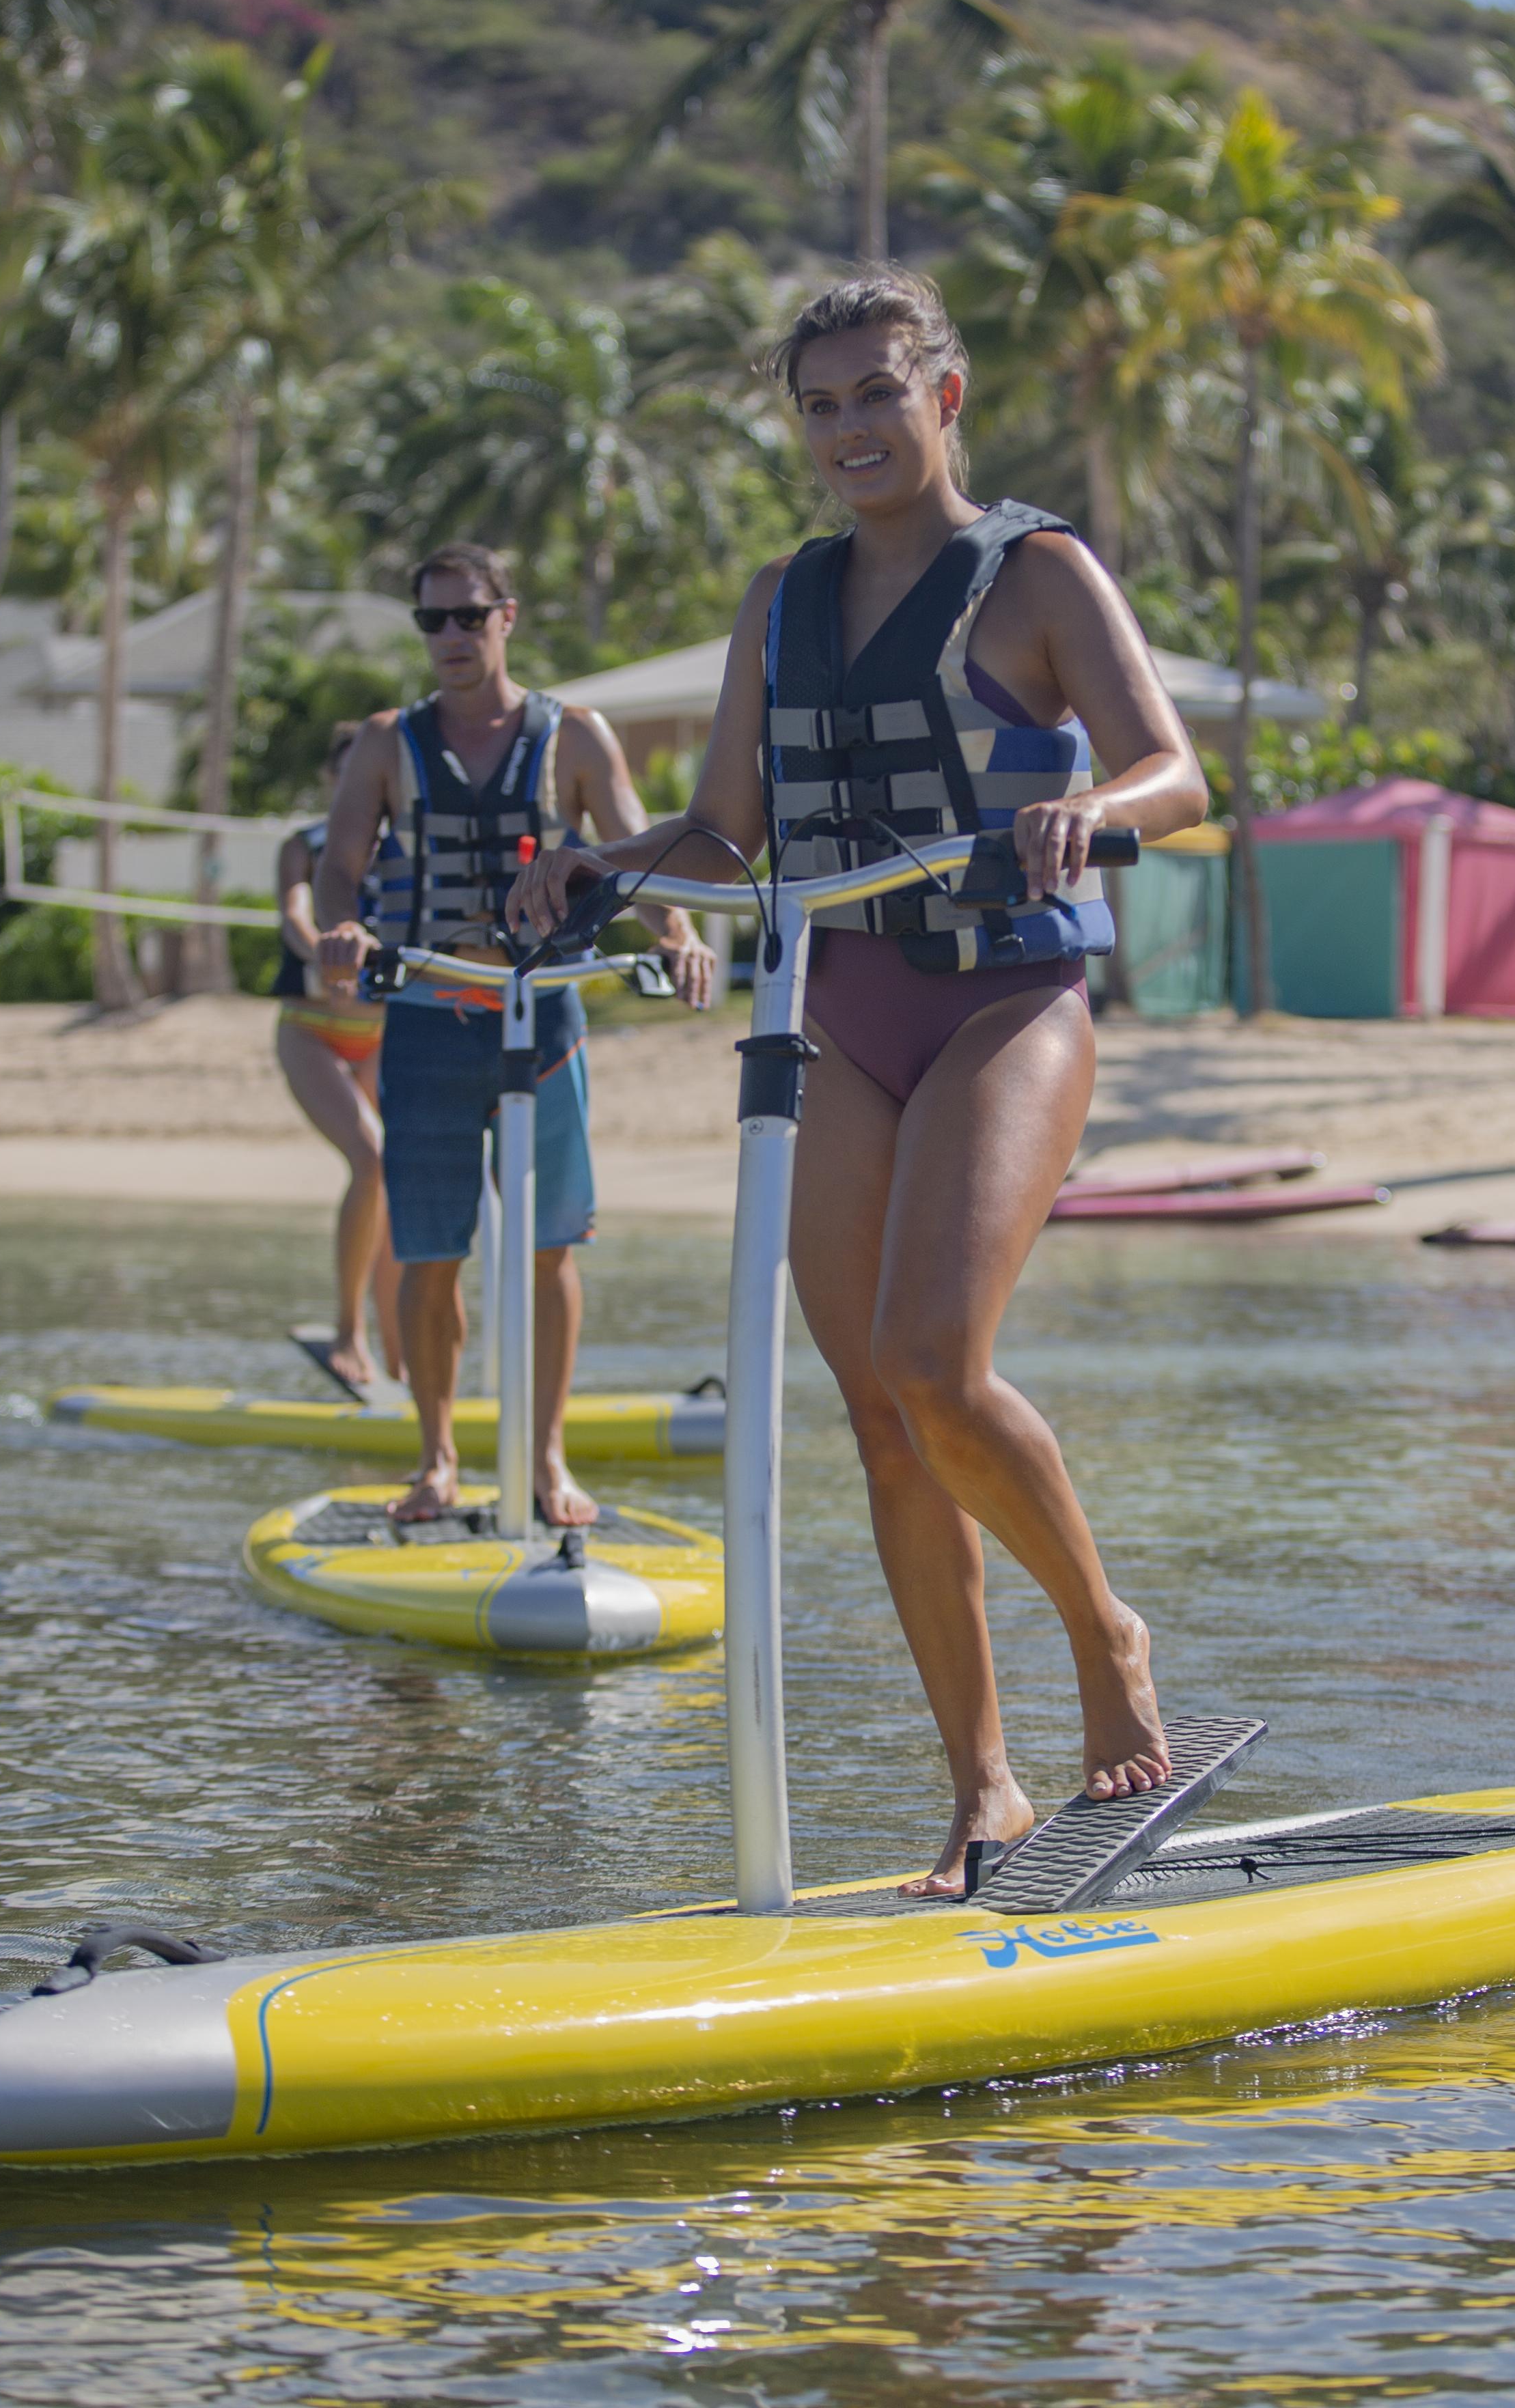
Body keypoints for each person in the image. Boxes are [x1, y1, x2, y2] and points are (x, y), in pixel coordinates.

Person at [513, 268, 1208, 1896]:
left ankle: (1103, 1632)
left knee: (934, 1363)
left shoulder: (1035, 573)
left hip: (1001, 1001)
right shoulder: (781, 600)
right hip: (835, 1008)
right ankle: (985, 1787)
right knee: (881, 1423)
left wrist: (1090, 813)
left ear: (942, 398)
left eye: (873, 396)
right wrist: (601, 863)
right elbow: (727, 831)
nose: (845, 430)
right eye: (816, 405)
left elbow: (1173, 772)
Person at [315, 543, 717, 1530]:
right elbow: (338, 867)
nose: (449, 636)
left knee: (551, 1249)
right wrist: (344, 928)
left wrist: (683, 934)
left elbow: (635, 855)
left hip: (545, 1017)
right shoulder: (384, 744)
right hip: (429, 1018)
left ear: (508, 617)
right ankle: (438, 1459)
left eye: (467, 615)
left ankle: (545, 1461)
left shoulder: (573, 735)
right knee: (430, 1252)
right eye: (431, 620)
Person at [267, 720, 400, 1396]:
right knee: (370, 1159)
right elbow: (295, 910)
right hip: (313, 1031)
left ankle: (399, 1349)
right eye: (345, 772)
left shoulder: (407, 846)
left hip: (383, 1037)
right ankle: (350, 1330)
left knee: (395, 1183)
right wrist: (324, 946)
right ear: (331, 780)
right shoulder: (307, 846)